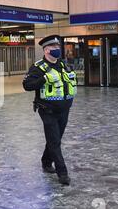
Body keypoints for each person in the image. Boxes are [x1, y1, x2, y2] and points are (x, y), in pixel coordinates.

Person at [23, 35, 77, 186]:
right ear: (46, 50)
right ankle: (63, 173)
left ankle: (46, 161)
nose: (57, 50)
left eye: (58, 47)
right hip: (47, 110)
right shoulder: (38, 67)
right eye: (54, 48)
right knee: (54, 141)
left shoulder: (62, 64)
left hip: (64, 109)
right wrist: (43, 79)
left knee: (55, 139)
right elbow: (27, 85)